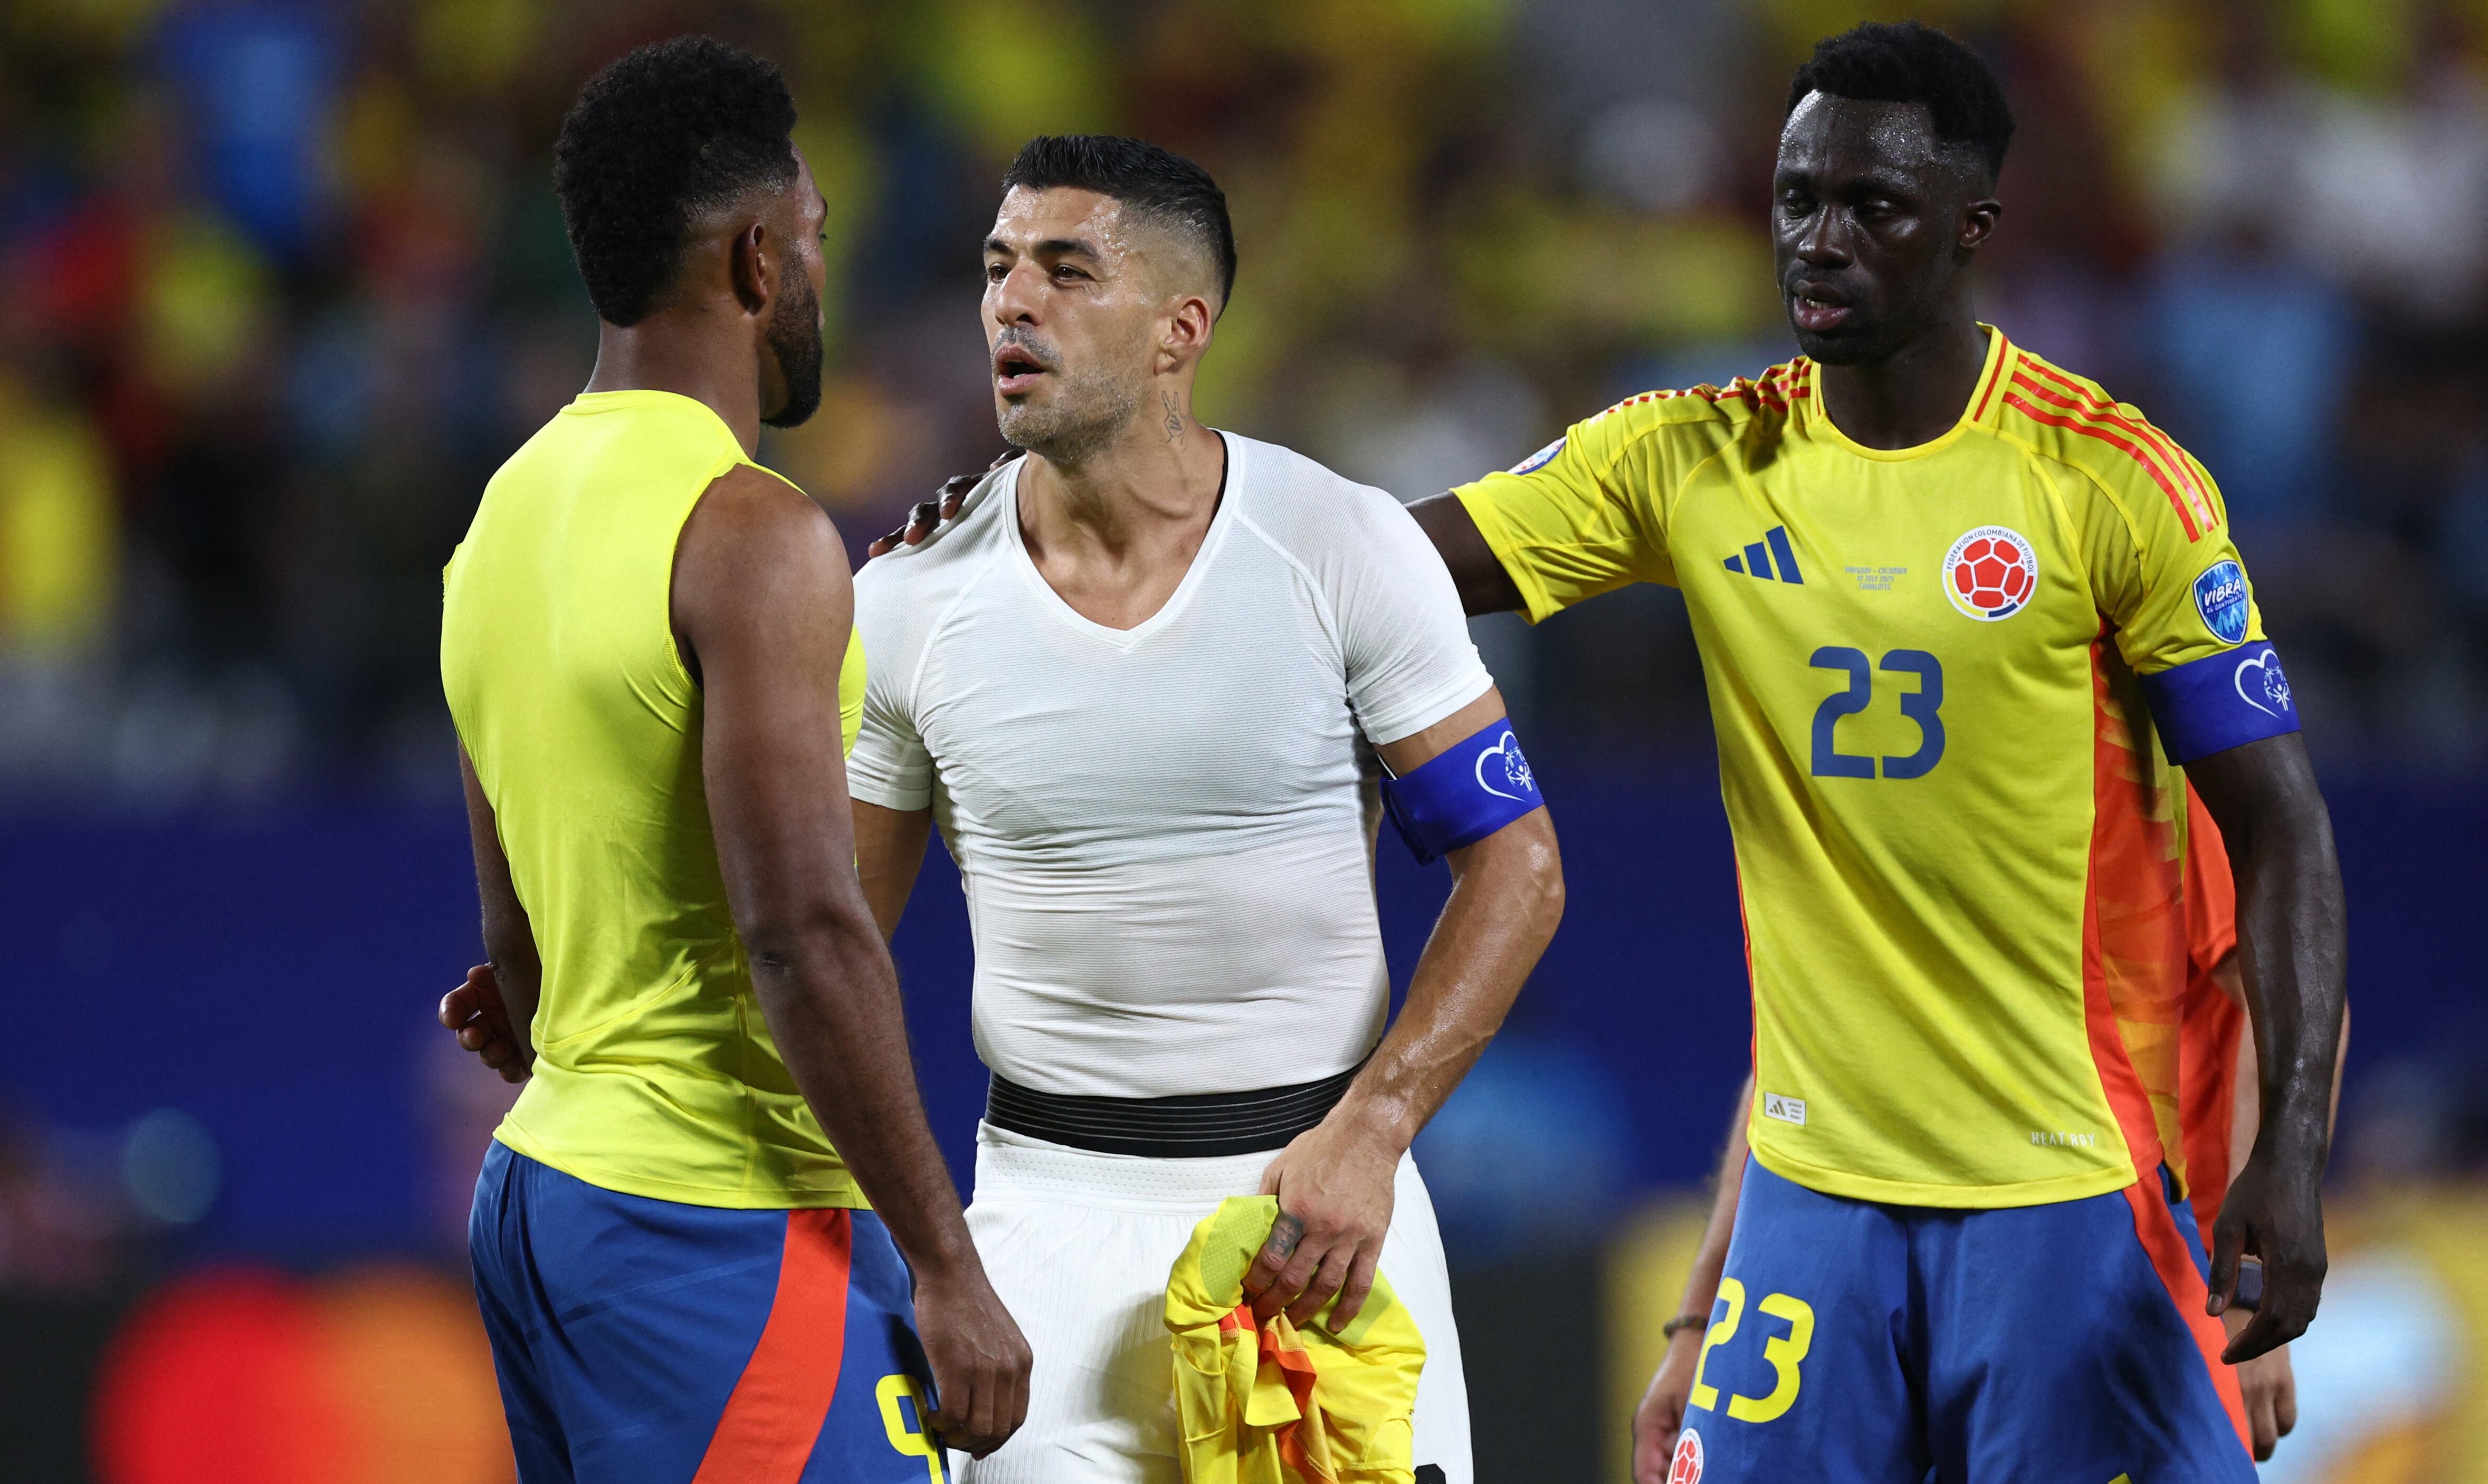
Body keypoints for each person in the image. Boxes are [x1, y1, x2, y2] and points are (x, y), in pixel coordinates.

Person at [1401, 21, 2347, 1481]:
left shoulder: (2105, 481)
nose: (1818, 241)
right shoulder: (1692, 459)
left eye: (1871, 208)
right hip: (1812, 1199)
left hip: (2072, 1187)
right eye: (1795, 201)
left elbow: (2281, 834)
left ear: (1969, 231)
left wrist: (2284, 1159)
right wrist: (1106, 507)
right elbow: (1377, 571)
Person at [851, 133, 1561, 1483]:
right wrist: (931, 1251)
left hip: (1324, 1218)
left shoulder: (1339, 544)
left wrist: (1375, 1130)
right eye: (999, 269)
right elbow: (828, 942)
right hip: (1040, 1232)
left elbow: (1516, 869)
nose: (1014, 302)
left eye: (1067, 271)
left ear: (1183, 327)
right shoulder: (903, 604)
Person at [435, 40, 1027, 1482]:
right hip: (717, 1217)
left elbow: (515, 967)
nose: (826, 268)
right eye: (816, 236)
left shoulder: (503, 516)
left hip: (544, 1196)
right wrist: (945, 1264)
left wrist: (568, 994)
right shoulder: (754, 531)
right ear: (757, 259)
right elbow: (805, 929)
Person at [1627, 788, 2354, 1478]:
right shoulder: (1883, 808)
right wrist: (1698, 1321)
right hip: (1916, 1287)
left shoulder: (2127, 763)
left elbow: (2292, 1006)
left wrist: (2249, 1289)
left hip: (2127, 1273)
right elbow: (1803, 1071)